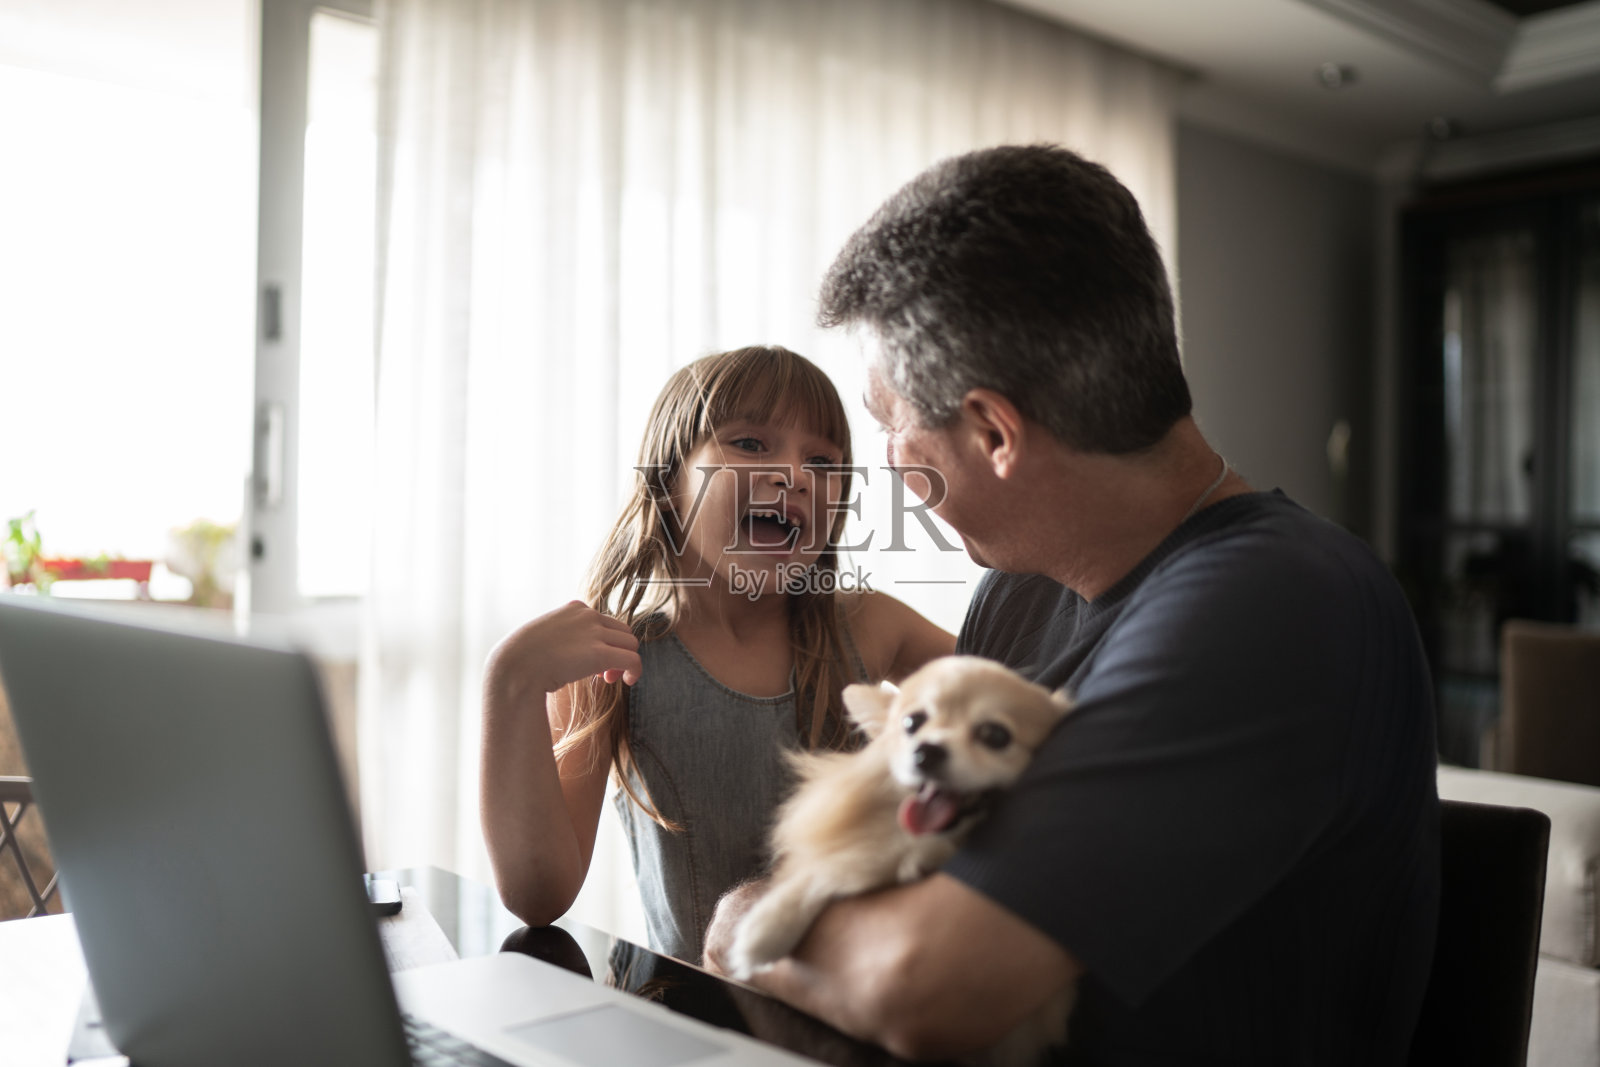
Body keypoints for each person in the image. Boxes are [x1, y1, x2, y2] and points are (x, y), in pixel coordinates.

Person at [702, 146, 1440, 1065]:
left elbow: (922, 982)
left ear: (994, 432)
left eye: (889, 422)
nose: (885, 459)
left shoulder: (1282, 606)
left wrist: (744, 920)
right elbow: (897, 853)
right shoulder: (1018, 593)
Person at [481, 345, 955, 964]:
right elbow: (538, 896)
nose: (794, 475)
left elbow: (1026, 706)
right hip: (692, 1021)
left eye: (821, 461)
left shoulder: (871, 625)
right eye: (751, 444)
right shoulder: (613, 660)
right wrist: (510, 683)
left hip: (856, 997)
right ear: (669, 483)